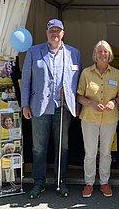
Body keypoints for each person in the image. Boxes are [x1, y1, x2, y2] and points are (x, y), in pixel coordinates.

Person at [21, 19, 82, 199]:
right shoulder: (33, 51)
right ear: (46, 33)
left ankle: (59, 181)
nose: (54, 33)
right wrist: (25, 104)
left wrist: (77, 103)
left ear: (63, 33)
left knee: (62, 147)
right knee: (39, 148)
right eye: (51, 30)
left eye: (58, 30)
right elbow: (26, 80)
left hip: (63, 107)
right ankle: (38, 183)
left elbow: (78, 81)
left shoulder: (74, 53)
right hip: (39, 107)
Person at [77, 40, 119, 198]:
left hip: (110, 119)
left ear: (109, 54)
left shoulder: (116, 73)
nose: (103, 54)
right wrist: (91, 103)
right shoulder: (86, 73)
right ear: (95, 55)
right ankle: (89, 183)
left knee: (105, 153)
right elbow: (79, 96)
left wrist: (114, 102)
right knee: (90, 153)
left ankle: (104, 182)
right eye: (100, 51)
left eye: (106, 51)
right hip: (89, 117)